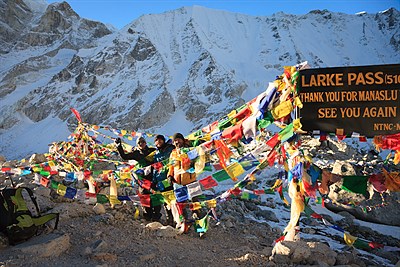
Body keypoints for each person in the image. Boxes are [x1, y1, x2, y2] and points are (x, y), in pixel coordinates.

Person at [115, 136, 161, 222]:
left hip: (153, 177)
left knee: (155, 195)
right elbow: (124, 156)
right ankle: (147, 216)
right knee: (144, 196)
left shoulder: (152, 151)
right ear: (137, 144)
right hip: (142, 179)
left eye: (143, 142)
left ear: (145, 142)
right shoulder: (136, 153)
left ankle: (157, 216)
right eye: (139, 143)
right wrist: (119, 146)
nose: (141, 144)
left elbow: (161, 153)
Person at [167, 133, 201, 232]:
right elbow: (171, 166)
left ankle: (200, 228)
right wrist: (169, 175)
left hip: (191, 181)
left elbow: (199, 162)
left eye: (178, 139)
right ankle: (185, 226)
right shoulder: (173, 153)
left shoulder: (191, 150)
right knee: (181, 206)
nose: (177, 142)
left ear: (183, 140)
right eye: (175, 141)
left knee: (196, 205)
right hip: (178, 183)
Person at [152, 134, 176, 226]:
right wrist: (154, 181)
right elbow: (155, 168)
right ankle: (169, 219)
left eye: (160, 140)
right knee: (165, 201)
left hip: (169, 178)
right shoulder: (156, 154)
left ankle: (176, 219)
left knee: (173, 200)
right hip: (160, 180)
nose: (159, 142)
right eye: (157, 140)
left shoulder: (170, 149)